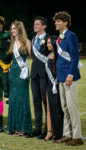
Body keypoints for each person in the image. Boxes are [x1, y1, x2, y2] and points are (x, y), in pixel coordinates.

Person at [52, 11, 83, 146]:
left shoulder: (71, 36)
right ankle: (67, 134)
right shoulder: (60, 37)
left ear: (65, 22)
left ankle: (77, 137)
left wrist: (70, 74)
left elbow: (75, 57)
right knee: (65, 107)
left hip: (70, 77)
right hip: (61, 76)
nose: (56, 23)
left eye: (59, 21)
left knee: (72, 108)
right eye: (55, 21)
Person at [6, 21, 32, 136]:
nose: (13, 30)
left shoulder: (27, 42)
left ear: (20, 29)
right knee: (14, 100)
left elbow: (32, 57)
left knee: (22, 100)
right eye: (12, 29)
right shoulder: (12, 42)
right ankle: (13, 127)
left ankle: (22, 128)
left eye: (15, 28)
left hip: (23, 74)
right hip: (13, 74)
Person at [27, 16, 50, 138]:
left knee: (45, 103)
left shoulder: (49, 39)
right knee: (36, 102)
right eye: (34, 24)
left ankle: (48, 129)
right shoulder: (33, 38)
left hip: (44, 75)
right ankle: (37, 129)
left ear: (44, 26)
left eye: (37, 24)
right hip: (34, 74)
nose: (34, 26)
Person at [43, 36, 64, 141]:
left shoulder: (59, 56)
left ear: (55, 43)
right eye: (47, 43)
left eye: (50, 43)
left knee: (58, 110)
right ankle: (50, 132)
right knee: (49, 110)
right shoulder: (48, 55)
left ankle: (60, 133)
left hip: (58, 86)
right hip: (49, 86)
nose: (48, 45)